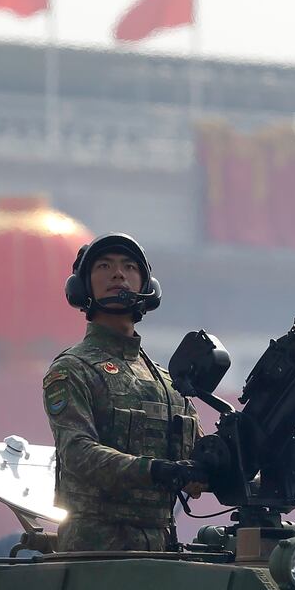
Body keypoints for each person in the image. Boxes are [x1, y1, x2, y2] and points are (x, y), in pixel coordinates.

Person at [42, 233, 204, 552]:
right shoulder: (72, 368)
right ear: (82, 289)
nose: (118, 274)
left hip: (163, 547)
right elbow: (77, 453)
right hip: (95, 551)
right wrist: (155, 469)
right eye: (104, 266)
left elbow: (200, 464)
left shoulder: (169, 383)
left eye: (130, 267)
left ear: (147, 287)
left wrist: (266, 481)